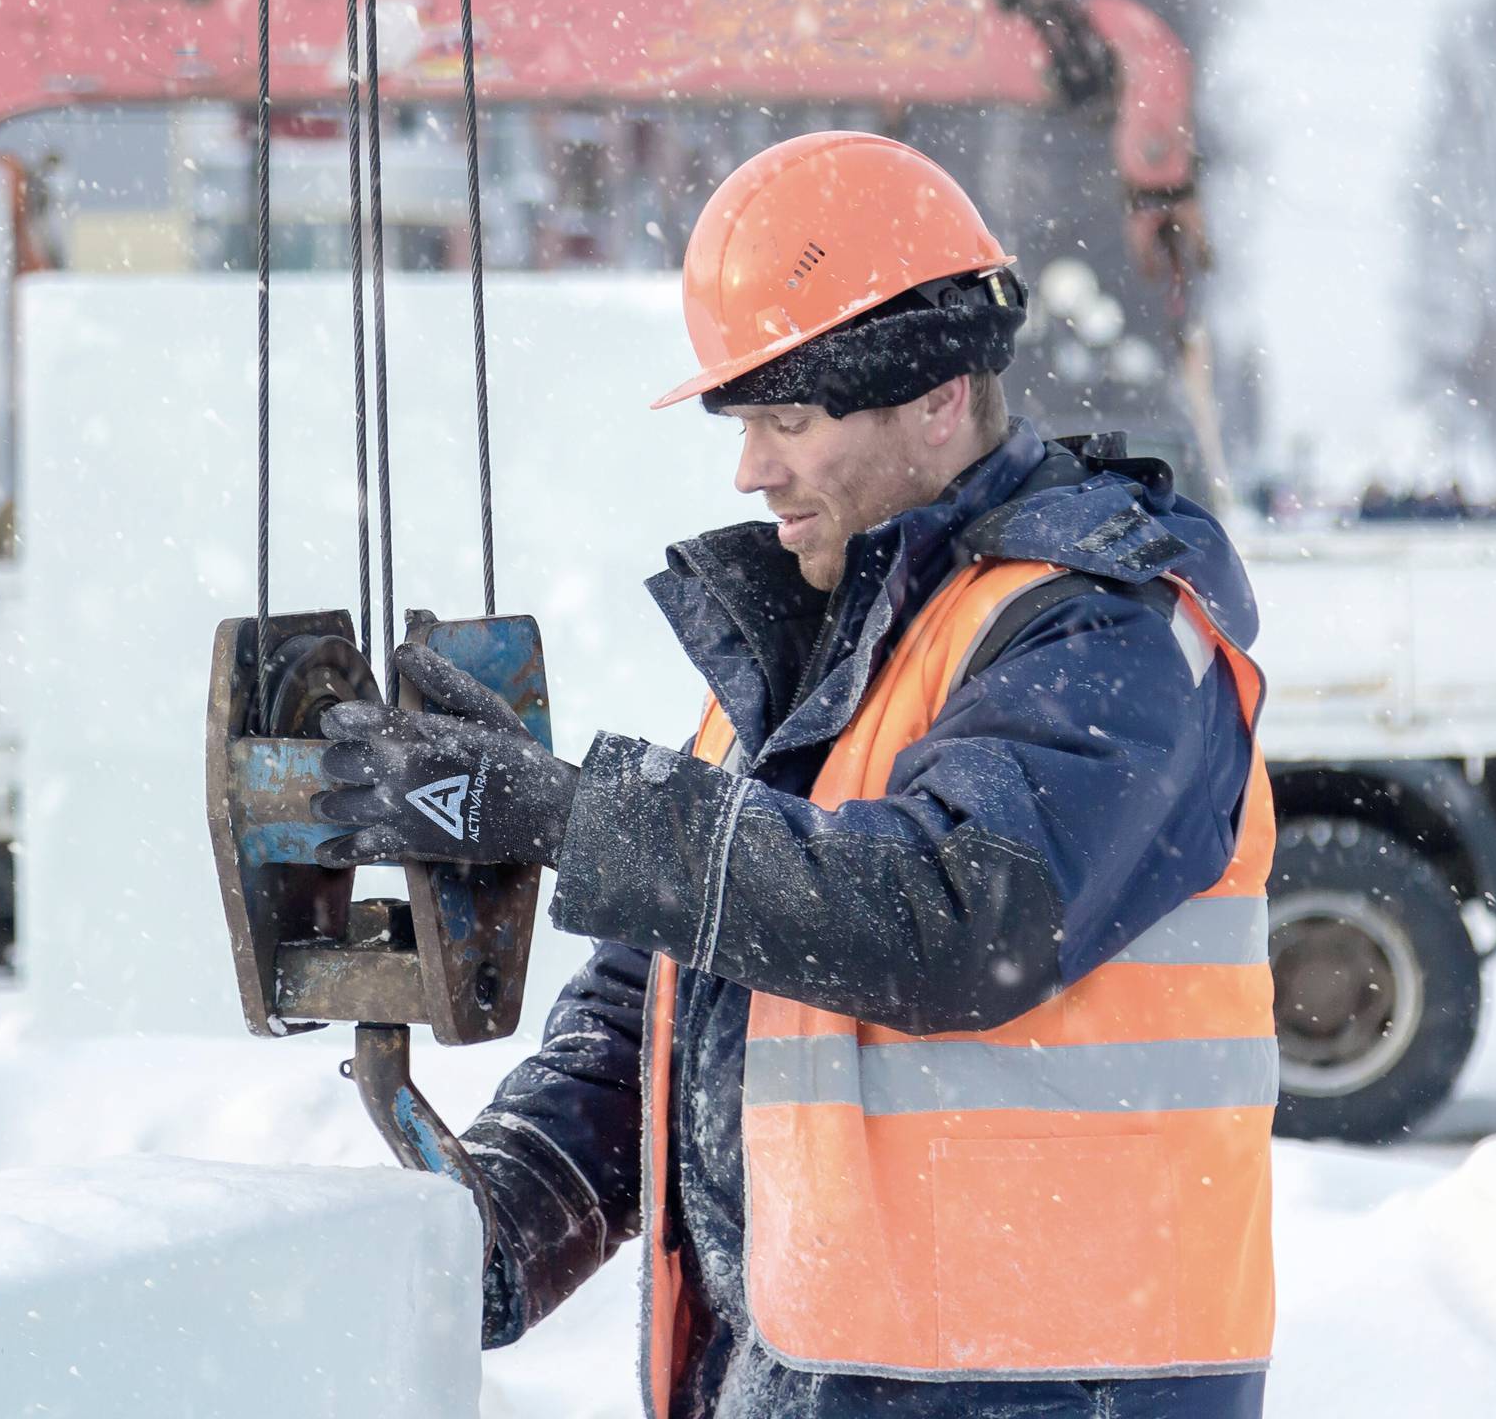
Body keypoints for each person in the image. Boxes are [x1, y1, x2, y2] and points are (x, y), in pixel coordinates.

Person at [315, 132, 1278, 1418]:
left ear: (938, 396)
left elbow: (954, 917)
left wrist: (563, 811)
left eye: (788, 418)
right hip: (828, 1374)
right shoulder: (825, 649)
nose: (750, 467)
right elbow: (678, 993)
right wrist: (511, 1207)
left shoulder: (1104, 626)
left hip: (1042, 1388)